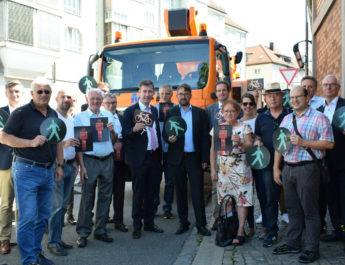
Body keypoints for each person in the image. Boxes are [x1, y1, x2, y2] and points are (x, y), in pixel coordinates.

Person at [0, 77, 64, 265]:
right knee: (27, 217)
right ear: (32, 93)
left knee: (43, 216)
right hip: (26, 170)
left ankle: (36, 253)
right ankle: (28, 260)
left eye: (47, 91)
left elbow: (58, 140)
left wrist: (60, 165)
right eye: (40, 91)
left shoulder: (53, 113)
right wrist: (30, 142)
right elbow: (4, 137)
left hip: (48, 171)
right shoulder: (20, 113)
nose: (44, 94)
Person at [272, 85, 334, 263]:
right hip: (288, 168)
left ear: (307, 97)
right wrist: (276, 168)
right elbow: (279, 144)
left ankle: (311, 248)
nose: (294, 100)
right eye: (291, 98)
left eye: (298, 97)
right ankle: (292, 242)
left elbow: (329, 144)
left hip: (308, 168)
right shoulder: (287, 119)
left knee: (310, 210)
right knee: (292, 209)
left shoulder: (319, 118)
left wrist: (304, 142)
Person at [164, 83, 211, 236]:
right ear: (176, 96)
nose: (183, 96)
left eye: (186, 93)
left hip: (194, 158)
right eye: (180, 94)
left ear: (191, 95)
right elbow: (165, 132)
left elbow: (205, 137)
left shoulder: (200, 113)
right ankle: (183, 223)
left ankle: (201, 225)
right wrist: (168, 138)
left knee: (197, 192)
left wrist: (205, 158)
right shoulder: (171, 112)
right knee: (181, 192)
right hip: (177, 158)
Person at [74, 88, 118, 248]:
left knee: (106, 197)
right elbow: (79, 145)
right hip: (90, 161)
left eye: (98, 99)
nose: (95, 102)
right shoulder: (80, 117)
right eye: (92, 99)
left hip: (107, 159)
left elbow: (114, 140)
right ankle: (83, 233)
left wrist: (113, 132)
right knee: (87, 197)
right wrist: (82, 166)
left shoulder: (108, 115)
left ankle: (100, 230)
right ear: (87, 99)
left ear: (102, 100)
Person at [122, 80, 164, 239]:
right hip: (139, 159)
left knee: (152, 193)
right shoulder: (130, 111)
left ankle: (149, 223)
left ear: (153, 93)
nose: (147, 94)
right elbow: (124, 134)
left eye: (150, 91)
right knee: (138, 193)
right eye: (145, 91)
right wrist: (134, 129)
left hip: (154, 157)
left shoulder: (154, 110)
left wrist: (160, 157)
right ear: (140, 92)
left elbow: (157, 133)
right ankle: (137, 226)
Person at [210, 99, 253, 245]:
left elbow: (249, 146)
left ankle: (240, 230)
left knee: (242, 200)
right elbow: (213, 150)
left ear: (238, 112)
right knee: (226, 200)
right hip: (223, 169)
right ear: (222, 113)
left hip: (241, 167)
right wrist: (213, 170)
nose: (229, 114)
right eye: (226, 111)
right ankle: (229, 230)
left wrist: (240, 141)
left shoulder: (244, 127)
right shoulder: (218, 128)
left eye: (232, 111)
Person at [254, 82, 291, 247]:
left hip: (291, 161)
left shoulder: (290, 115)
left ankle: (295, 233)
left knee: (293, 199)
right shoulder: (261, 117)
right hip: (268, 163)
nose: (273, 98)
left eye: (276, 95)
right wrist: (257, 141)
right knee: (269, 198)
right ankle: (271, 231)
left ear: (282, 97)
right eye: (269, 96)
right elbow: (258, 136)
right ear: (266, 99)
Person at [47, 88, 79, 256]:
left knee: (63, 206)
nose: (66, 100)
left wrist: (75, 165)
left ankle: (58, 239)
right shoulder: (52, 117)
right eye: (63, 97)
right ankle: (52, 242)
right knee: (56, 206)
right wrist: (64, 144)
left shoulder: (71, 118)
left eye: (69, 97)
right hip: (57, 166)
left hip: (69, 166)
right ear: (57, 99)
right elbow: (47, 140)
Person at [317, 74, 345, 243]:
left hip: (342, 160)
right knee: (331, 198)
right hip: (324, 161)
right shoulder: (319, 110)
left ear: (338, 87)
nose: (328, 87)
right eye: (326, 84)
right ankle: (337, 230)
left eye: (332, 85)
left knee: (343, 198)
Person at [0, 80, 24, 255]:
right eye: (11, 92)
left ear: (21, 94)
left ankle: (22, 238)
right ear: (6, 94)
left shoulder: (28, 112)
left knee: (23, 204)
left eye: (17, 92)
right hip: (6, 163)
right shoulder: (0, 113)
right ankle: (4, 239)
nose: (14, 94)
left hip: (25, 163)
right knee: (6, 204)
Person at [102, 93, 129, 232]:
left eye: (114, 102)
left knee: (119, 191)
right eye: (108, 103)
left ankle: (119, 220)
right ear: (103, 104)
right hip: (106, 157)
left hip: (121, 158)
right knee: (106, 191)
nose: (112, 105)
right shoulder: (99, 118)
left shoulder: (121, 117)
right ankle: (103, 222)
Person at [205, 81, 230, 230]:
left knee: (230, 188)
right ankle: (216, 218)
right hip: (216, 152)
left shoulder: (236, 107)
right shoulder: (210, 109)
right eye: (219, 90)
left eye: (224, 90)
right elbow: (207, 132)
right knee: (216, 188)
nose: (221, 93)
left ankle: (229, 217)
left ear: (228, 91)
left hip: (232, 154)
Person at [154, 85, 175, 219]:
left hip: (171, 151)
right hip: (157, 151)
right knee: (155, 181)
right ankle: (154, 207)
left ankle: (167, 207)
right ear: (159, 94)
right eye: (162, 94)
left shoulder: (176, 109)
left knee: (169, 181)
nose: (165, 96)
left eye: (167, 93)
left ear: (171, 94)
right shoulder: (153, 109)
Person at [239, 93, 258, 237]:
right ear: (241, 106)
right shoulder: (238, 123)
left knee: (264, 194)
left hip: (260, 160)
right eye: (245, 104)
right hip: (244, 163)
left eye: (250, 103)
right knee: (248, 195)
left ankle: (267, 225)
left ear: (255, 105)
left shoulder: (260, 120)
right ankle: (250, 225)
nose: (248, 106)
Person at [66, 93, 78, 226]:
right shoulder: (57, 116)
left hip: (73, 158)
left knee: (70, 190)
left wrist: (77, 163)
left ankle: (69, 215)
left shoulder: (76, 117)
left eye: (74, 99)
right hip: (59, 160)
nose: (71, 102)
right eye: (69, 99)